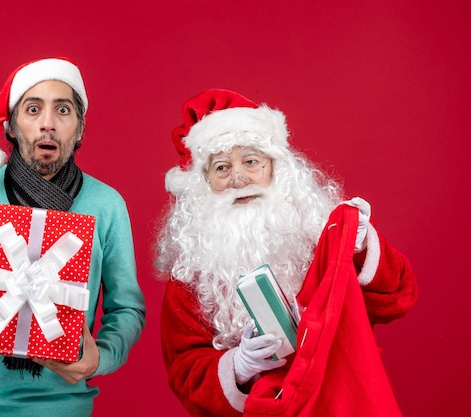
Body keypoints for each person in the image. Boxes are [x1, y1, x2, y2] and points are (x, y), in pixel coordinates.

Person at [0, 57, 146, 417]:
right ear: (12, 127)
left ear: (79, 129)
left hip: (63, 408)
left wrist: (100, 359)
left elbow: (127, 308)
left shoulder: (107, 205)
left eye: (63, 110)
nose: (48, 123)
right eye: (33, 109)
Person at [154, 89, 418, 417]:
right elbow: (184, 371)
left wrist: (363, 246)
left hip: (339, 401)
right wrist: (238, 366)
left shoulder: (319, 232)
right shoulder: (191, 271)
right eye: (221, 168)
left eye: (251, 161)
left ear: (276, 168)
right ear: (205, 181)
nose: (238, 178)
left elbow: (398, 298)